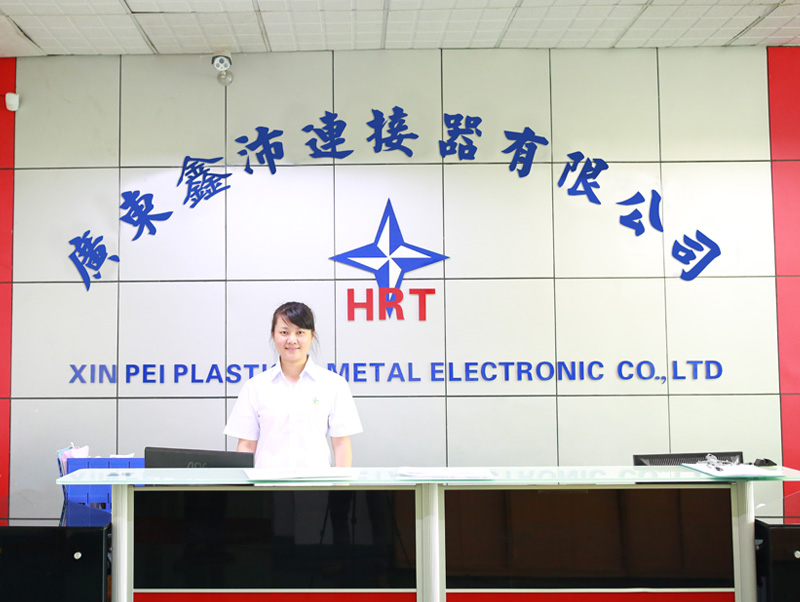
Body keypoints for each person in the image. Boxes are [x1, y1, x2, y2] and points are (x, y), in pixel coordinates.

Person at [224, 301, 362, 469]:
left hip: (317, 482)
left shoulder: (333, 384)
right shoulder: (255, 387)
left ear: (312, 335)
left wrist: (342, 484)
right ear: (273, 334)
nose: (292, 340)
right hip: (267, 483)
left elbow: (341, 444)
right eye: (284, 332)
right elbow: (246, 445)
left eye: (300, 332)